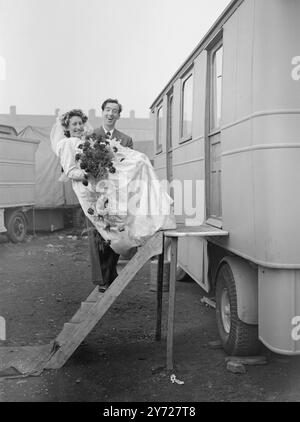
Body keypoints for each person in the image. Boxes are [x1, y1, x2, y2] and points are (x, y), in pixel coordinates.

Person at [50, 107, 176, 292]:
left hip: (98, 183)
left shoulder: (85, 140)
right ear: (66, 128)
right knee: (103, 229)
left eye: (80, 123)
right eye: (73, 124)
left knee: (113, 221)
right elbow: (70, 172)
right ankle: (104, 277)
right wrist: (89, 171)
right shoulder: (67, 144)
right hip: (88, 188)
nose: (78, 127)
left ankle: (111, 272)